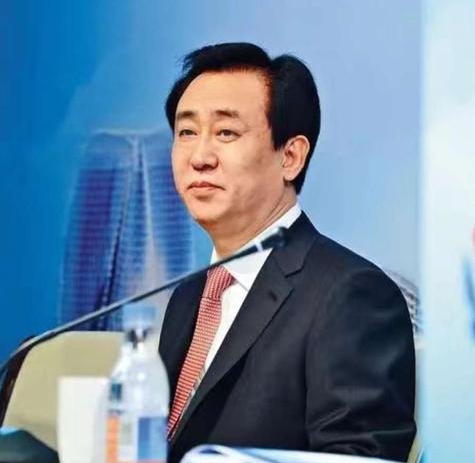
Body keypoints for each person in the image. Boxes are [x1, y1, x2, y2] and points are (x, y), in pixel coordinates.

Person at [158, 42, 416, 463]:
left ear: (291, 157)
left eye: (226, 133)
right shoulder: (187, 298)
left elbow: (358, 456)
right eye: (187, 132)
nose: (200, 157)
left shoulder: (351, 295)